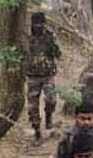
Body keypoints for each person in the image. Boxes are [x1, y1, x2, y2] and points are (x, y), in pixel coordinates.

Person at [26, 12, 61, 144]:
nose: (38, 27)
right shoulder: (28, 37)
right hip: (32, 76)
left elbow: (58, 54)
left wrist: (53, 44)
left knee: (51, 99)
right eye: (36, 24)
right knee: (32, 107)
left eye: (41, 24)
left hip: (48, 75)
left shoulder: (50, 36)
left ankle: (49, 117)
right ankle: (37, 133)